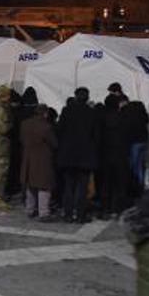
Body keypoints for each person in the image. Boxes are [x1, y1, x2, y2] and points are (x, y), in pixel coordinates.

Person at [57, 88, 99, 223]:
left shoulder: (66, 111)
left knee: (69, 185)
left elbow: (60, 131)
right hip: (85, 156)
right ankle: (80, 214)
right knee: (82, 186)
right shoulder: (91, 113)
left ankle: (68, 213)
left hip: (68, 155)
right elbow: (96, 136)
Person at [20, 104, 58, 222]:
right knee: (44, 186)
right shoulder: (46, 127)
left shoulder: (25, 124)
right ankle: (43, 212)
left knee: (30, 184)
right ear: (45, 113)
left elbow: (21, 139)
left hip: (28, 157)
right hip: (43, 159)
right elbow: (54, 144)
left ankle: (30, 209)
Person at [101, 94, 131, 218]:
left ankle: (105, 208)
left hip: (105, 153)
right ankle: (118, 208)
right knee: (120, 183)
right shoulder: (123, 118)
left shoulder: (101, 118)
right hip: (120, 153)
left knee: (106, 183)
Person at [123, 100, 149, 197]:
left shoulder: (129, 116)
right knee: (140, 166)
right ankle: (140, 186)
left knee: (134, 166)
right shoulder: (143, 116)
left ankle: (135, 186)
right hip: (143, 141)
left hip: (134, 142)